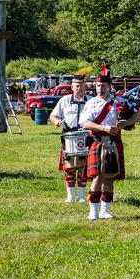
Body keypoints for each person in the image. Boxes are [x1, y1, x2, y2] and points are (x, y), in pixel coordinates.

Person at [79, 62, 139, 220]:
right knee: (97, 176)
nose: (100, 88)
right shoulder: (91, 103)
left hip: (114, 142)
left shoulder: (119, 102)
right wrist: (103, 128)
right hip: (97, 141)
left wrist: (126, 123)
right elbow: (85, 123)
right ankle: (93, 210)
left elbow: (136, 115)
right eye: (98, 85)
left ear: (110, 86)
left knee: (110, 176)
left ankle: (105, 210)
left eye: (104, 85)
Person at [49, 74, 89, 202]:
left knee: (83, 168)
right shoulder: (64, 100)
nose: (79, 88)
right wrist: (56, 121)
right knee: (69, 167)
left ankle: (81, 196)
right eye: (77, 86)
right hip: (69, 137)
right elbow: (53, 115)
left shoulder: (91, 100)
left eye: (82, 86)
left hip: (86, 136)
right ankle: (70, 196)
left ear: (85, 87)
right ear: (72, 87)